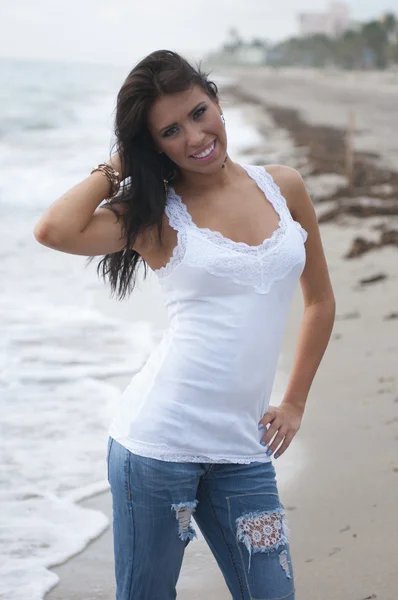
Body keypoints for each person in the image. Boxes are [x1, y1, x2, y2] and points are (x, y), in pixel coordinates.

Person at [34, 49, 335, 600]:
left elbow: (319, 301)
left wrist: (294, 402)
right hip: (156, 449)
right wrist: (118, 165)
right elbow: (54, 230)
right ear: (153, 145)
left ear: (217, 100)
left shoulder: (283, 187)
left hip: (243, 450)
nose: (196, 137)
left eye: (199, 112)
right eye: (171, 131)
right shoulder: (154, 215)